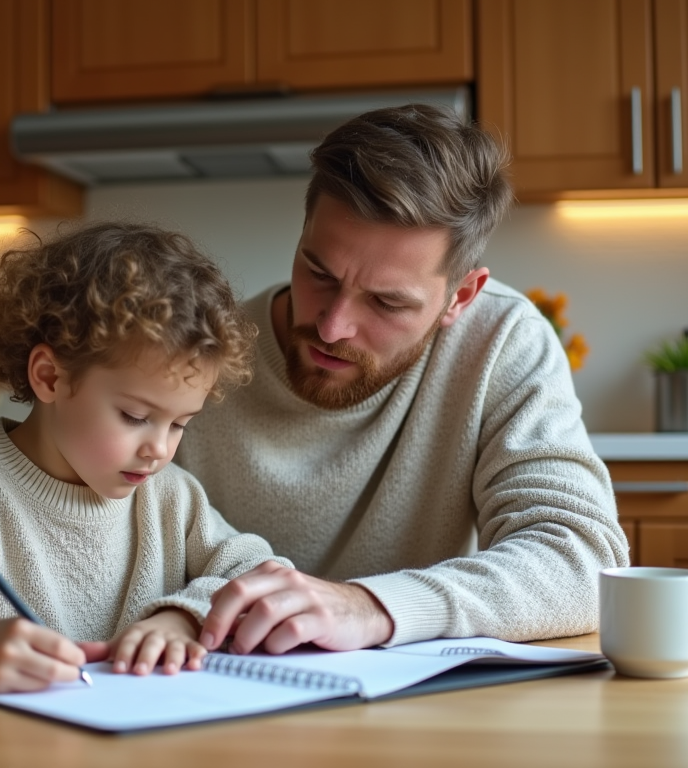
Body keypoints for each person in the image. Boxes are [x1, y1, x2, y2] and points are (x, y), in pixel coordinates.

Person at [175, 104, 630, 656]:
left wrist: (369, 607)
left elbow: (582, 561)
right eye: (318, 273)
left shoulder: (502, 341)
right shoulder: (201, 352)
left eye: (388, 302)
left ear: (460, 297)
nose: (332, 326)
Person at [0, 222, 290, 692]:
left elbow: (261, 576)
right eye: (134, 415)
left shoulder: (171, 498)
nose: (159, 449)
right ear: (49, 376)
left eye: (180, 423)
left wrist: (183, 617)